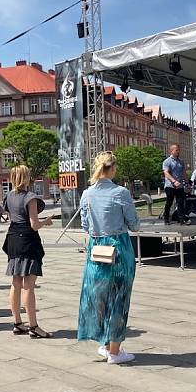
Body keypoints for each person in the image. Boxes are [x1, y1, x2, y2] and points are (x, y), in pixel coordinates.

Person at [78, 152, 140, 364]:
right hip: (118, 247)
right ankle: (114, 351)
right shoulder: (121, 192)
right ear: (112, 168)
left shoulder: (86, 194)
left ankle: (104, 345)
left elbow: (85, 225)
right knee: (119, 297)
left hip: (96, 248)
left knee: (99, 297)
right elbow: (134, 224)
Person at [3, 165, 53, 339]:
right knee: (28, 285)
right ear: (25, 178)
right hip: (28, 240)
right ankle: (34, 326)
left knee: (15, 282)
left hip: (13, 238)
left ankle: (17, 323)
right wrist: (46, 221)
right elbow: (34, 224)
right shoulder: (30, 197)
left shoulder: (8, 196)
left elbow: (11, 217)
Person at [162, 144, 190, 226]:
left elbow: (184, 173)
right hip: (170, 185)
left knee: (180, 202)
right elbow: (166, 173)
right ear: (172, 151)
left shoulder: (181, 161)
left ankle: (181, 219)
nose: (178, 152)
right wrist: (174, 181)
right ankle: (166, 218)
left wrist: (187, 183)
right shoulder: (167, 161)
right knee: (169, 202)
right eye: (176, 150)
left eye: (179, 150)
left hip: (180, 185)